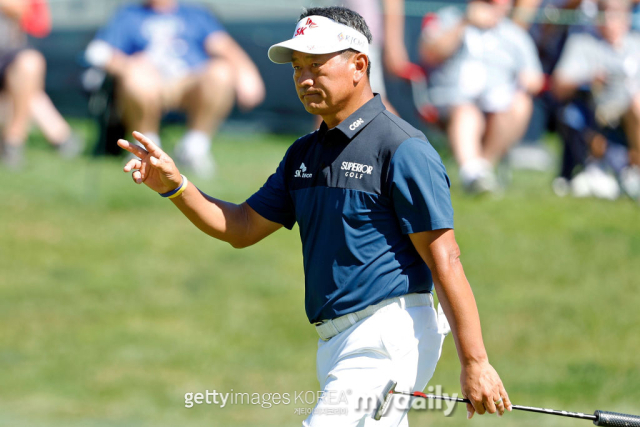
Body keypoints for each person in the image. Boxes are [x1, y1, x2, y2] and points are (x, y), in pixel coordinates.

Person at [117, 7, 512, 426]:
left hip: (387, 335)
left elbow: (445, 258)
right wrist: (176, 186)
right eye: (297, 67)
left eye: (317, 65)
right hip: (335, 342)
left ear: (359, 65)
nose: (304, 79)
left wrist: (475, 362)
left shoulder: (402, 148)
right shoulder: (304, 154)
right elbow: (242, 227)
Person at [86, 0, 265, 178]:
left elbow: (223, 46)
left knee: (221, 72)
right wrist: (129, 65)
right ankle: (146, 151)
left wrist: (247, 73)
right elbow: (97, 52)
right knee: (136, 78)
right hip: (148, 83)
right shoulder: (129, 15)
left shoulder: (195, 14)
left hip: (189, 81)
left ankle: (193, 149)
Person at [420, 0, 544, 193]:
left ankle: (481, 172)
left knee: (521, 104)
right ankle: (473, 172)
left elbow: (535, 78)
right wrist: (464, 22)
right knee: (467, 112)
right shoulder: (450, 17)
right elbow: (430, 54)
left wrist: (526, 81)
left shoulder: (514, 33)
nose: (496, 6)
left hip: (498, 102)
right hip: (451, 98)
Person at [552, 0, 640, 200]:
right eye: (604, 14)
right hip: (599, 109)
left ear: (627, 18)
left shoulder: (636, 44)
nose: (609, 20)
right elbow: (558, 85)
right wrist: (589, 78)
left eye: (616, 14)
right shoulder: (583, 44)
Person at [0, 0, 82, 168]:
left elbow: (21, 9)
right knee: (28, 90)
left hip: (8, 54)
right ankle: (60, 135)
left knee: (30, 64)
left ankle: (13, 142)